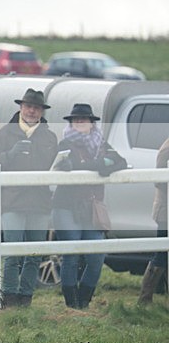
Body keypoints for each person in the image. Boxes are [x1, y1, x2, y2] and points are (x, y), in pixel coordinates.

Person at [0, 88, 58, 308]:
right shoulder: (5, 134)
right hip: (12, 201)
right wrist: (10, 154)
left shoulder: (49, 137)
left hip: (39, 202)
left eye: (36, 108)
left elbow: (53, 165)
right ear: (21, 108)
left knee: (35, 254)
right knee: (13, 252)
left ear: (42, 111)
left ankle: (26, 297)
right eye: (28, 106)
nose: (32, 111)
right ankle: (9, 297)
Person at [52, 103, 126, 308]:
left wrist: (105, 164)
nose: (80, 122)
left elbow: (119, 161)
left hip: (91, 207)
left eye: (84, 119)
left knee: (97, 256)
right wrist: (100, 164)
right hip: (67, 205)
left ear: (92, 122)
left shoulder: (101, 143)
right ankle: (71, 304)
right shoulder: (65, 144)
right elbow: (70, 165)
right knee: (71, 255)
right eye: (76, 119)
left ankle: (84, 301)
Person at [139, 135, 169, 304]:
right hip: (166, 211)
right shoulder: (167, 147)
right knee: (161, 254)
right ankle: (145, 298)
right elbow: (159, 179)